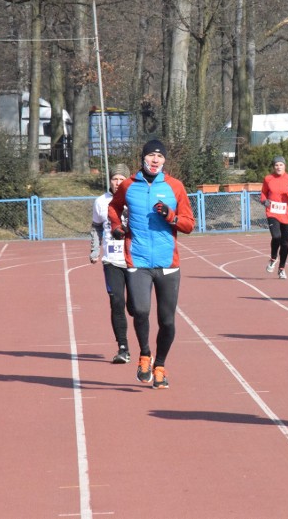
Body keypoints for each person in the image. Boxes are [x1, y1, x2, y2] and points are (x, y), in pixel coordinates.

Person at [108, 139, 195, 389]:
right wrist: (116, 227)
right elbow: (113, 208)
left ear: (164, 161)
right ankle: (144, 355)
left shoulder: (175, 187)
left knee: (167, 321)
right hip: (138, 260)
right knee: (141, 310)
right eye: (151, 156)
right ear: (143, 158)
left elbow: (189, 225)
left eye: (160, 156)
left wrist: (172, 216)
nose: (155, 160)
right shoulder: (128, 185)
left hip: (168, 263)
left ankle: (160, 366)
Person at [90, 163, 133, 364]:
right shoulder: (101, 202)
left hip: (135, 260)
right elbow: (97, 227)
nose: (117, 182)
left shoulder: (135, 199)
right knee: (117, 303)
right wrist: (95, 250)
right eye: (114, 179)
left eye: (121, 179)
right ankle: (123, 347)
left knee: (136, 307)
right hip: (111, 261)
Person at [260, 155, 288, 278]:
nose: (278, 167)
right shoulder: (268, 179)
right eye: (276, 165)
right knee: (276, 236)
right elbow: (263, 193)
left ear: (285, 166)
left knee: (284, 243)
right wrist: (264, 201)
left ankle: (281, 268)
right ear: (273, 166)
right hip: (272, 212)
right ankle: (273, 258)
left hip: (286, 214)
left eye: (281, 164)